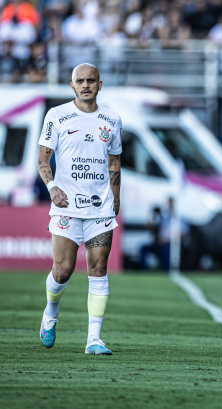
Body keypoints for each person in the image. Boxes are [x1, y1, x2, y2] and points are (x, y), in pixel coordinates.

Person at [36, 63, 122, 355]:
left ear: (100, 85)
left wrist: (116, 198)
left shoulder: (112, 119)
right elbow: (42, 161)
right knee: (63, 271)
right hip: (66, 207)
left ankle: (94, 339)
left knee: (98, 268)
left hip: (100, 209)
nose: (86, 85)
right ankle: (51, 312)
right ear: (72, 86)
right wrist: (52, 189)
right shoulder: (57, 116)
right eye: (80, 81)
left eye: (91, 80)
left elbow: (114, 163)